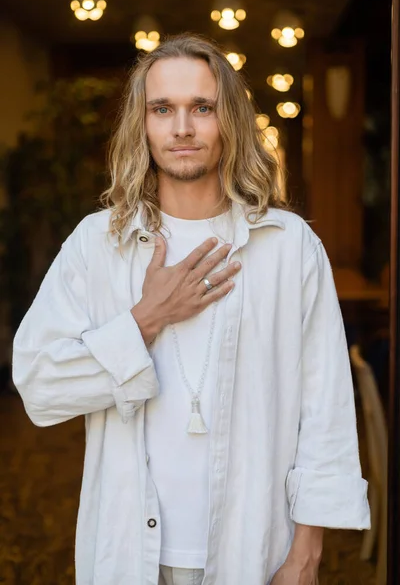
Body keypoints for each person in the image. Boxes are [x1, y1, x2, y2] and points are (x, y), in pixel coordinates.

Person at [12, 34, 370, 585]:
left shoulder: (289, 246)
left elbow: (325, 411)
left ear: (228, 121)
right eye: (163, 109)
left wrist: (306, 553)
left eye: (201, 108)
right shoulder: (96, 245)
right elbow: (37, 383)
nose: (182, 128)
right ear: (143, 124)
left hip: (256, 548)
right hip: (129, 550)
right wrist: (144, 320)